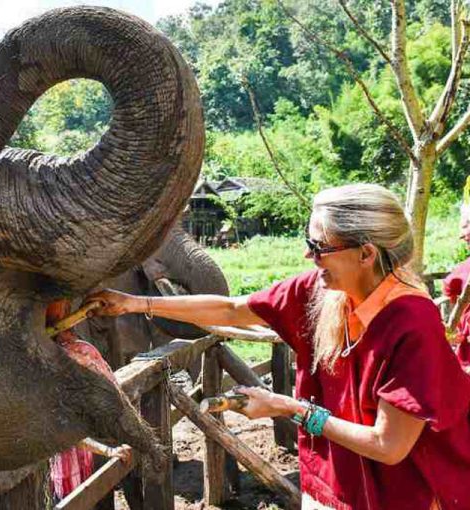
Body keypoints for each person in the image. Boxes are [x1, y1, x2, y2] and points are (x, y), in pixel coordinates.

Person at [86, 184, 470, 509]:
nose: (309, 256)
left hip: (404, 493)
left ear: (366, 254)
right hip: (334, 481)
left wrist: (289, 408)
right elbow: (232, 308)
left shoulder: (412, 323)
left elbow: (389, 446)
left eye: (318, 246)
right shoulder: (319, 292)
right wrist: (134, 303)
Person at [45, 299, 131, 503]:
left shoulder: (81, 351)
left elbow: (112, 390)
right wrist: (108, 450)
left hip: (83, 463)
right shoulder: (61, 361)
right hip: (64, 471)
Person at [443, 181, 470, 371]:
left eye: (467, 225)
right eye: (462, 226)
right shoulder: (458, 277)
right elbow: (454, 329)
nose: (463, 234)